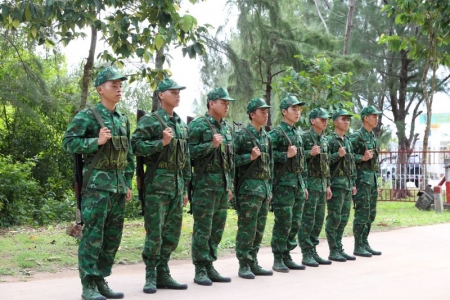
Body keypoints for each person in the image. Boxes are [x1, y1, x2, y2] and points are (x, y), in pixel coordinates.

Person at [63, 66, 134, 300]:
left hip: (117, 187)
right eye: (114, 85)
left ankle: (101, 279)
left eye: (120, 85)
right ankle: (88, 285)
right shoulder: (88, 116)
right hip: (95, 187)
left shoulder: (122, 119)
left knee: (112, 237)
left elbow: (128, 154)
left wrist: (128, 182)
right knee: (93, 236)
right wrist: (97, 141)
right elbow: (69, 142)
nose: (119, 88)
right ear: (100, 90)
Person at [131, 78, 191, 293]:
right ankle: (150, 274)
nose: (177, 95)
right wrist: (161, 143)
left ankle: (163, 271)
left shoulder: (182, 125)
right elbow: (134, 146)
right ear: (161, 95)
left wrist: (185, 188)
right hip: (156, 186)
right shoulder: (151, 121)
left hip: (176, 186)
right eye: (173, 92)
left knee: (172, 233)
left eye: (179, 92)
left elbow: (186, 159)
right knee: (154, 233)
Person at [188, 87, 235, 286]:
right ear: (211, 103)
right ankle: (200, 267)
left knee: (217, 229)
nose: (227, 106)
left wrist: (230, 184)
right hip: (204, 186)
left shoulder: (226, 128)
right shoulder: (198, 125)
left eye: (228, 103)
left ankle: (210, 265)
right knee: (203, 229)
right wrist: (210, 145)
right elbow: (186, 153)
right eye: (223, 102)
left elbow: (228, 160)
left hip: (222, 187)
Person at [234, 98, 274, 279]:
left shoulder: (266, 136)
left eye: (267, 112)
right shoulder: (242, 135)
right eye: (262, 112)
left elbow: (270, 165)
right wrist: (248, 158)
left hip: (263, 189)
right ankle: (243, 263)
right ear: (252, 114)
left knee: (259, 228)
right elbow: (230, 161)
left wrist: (270, 188)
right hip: (248, 189)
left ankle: (253, 261)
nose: (266, 115)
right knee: (247, 228)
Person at [268, 94, 309, 272]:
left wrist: (304, 184)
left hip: (297, 185)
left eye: (299, 109)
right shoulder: (276, 133)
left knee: (295, 222)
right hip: (283, 186)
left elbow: (302, 162)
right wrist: (285, 155)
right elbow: (267, 157)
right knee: (283, 222)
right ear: (284, 111)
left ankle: (287, 254)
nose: (298, 112)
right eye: (294, 109)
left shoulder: (298, 134)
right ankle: (278, 257)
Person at [299, 108, 332, 267]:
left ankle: (313, 250)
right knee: (308, 219)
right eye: (322, 119)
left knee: (318, 220)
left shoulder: (324, 139)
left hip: (321, 185)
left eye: (326, 119)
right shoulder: (304, 137)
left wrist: (328, 185)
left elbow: (326, 165)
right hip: (310, 184)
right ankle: (306, 252)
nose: (325, 121)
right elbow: (298, 161)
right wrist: (309, 153)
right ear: (313, 121)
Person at [349, 105, 383, 257]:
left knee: (371, 214)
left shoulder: (372, 137)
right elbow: (348, 157)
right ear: (365, 118)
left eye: (377, 116)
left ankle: (364, 242)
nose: (376, 119)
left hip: (372, 181)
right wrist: (361, 158)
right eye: (373, 116)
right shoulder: (356, 136)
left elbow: (375, 163)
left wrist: (378, 182)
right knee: (362, 213)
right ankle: (358, 245)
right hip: (361, 181)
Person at [325, 109, 357, 262]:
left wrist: (353, 183)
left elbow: (351, 164)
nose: (346, 122)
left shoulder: (348, 141)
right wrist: (337, 155)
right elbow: (324, 163)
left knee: (344, 218)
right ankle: (333, 250)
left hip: (347, 184)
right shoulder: (330, 141)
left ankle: (339, 247)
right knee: (334, 217)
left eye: (348, 119)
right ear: (335, 122)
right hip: (336, 184)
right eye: (343, 119)